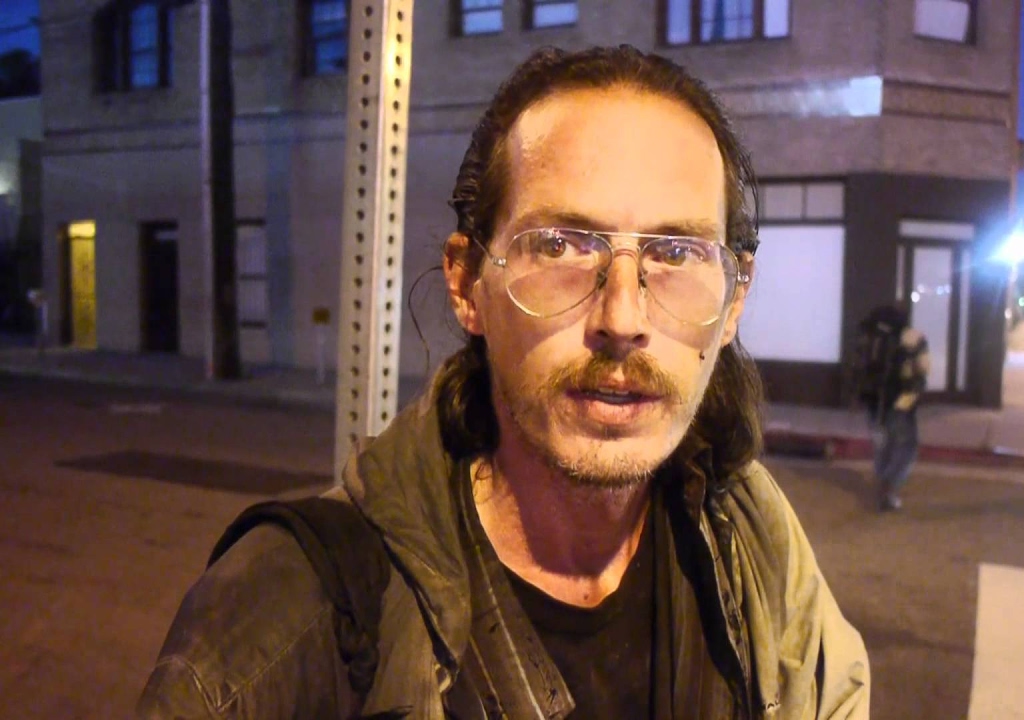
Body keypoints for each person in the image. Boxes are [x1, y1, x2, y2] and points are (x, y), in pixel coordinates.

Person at [137, 46, 869, 719]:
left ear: (734, 301)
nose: (622, 318)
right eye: (561, 246)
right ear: (467, 285)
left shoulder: (752, 545)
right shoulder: (288, 616)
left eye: (676, 253)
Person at [853, 304, 930, 512]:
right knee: (906, 447)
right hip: (901, 400)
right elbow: (923, 369)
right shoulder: (914, 338)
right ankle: (889, 487)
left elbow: (857, 367)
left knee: (882, 447)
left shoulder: (869, 336)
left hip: (873, 401)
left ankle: (883, 484)